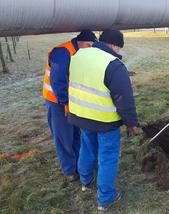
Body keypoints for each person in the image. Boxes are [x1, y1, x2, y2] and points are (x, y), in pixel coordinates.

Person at [68, 29, 138, 210]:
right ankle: (105, 199)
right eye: (119, 48)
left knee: (87, 148)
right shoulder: (113, 65)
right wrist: (131, 123)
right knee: (108, 157)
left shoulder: (78, 55)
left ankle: (85, 181)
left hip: (81, 115)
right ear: (114, 45)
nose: (119, 52)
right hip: (105, 121)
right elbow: (125, 100)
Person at [43, 30, 97, 181]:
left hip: (73, 101)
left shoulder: (83, 52)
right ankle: (69, 170)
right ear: (81, 43)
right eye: (89, 46)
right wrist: (65, 102)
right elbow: (57, 81)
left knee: (76, 134)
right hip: (57, 102)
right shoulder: (62, 53)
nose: (90, 49)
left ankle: (80, 165)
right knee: (63, 136)